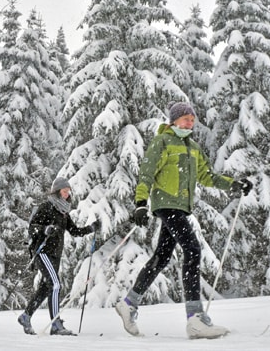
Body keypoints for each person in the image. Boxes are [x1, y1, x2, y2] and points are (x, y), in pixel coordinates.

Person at [114, 102, 253, 339]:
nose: (190, 123)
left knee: (162, 257)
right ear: (174, 120)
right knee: (192, 249)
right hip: (166, 204)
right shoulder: (162, 142)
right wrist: (140, 203)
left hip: (180, 207)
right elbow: (146, 173)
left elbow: (207, 176)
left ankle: (129, 303)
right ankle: (194, 318)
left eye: (192, 119)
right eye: (186, 119)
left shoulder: (193, 148)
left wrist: (233, 184)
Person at [17, 177, 100, 336]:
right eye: (64, 191)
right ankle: (55, 325)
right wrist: (45, 229)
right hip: (42, 252)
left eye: (68, 191)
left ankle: (26, 316)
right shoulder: (46, 207)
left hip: (55, 255)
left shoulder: (63, 213)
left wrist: (91, 228)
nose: (67, 194)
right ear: (57, 191)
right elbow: (32, 228)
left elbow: (75, 231)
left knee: (45, 288)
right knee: (55, 284)